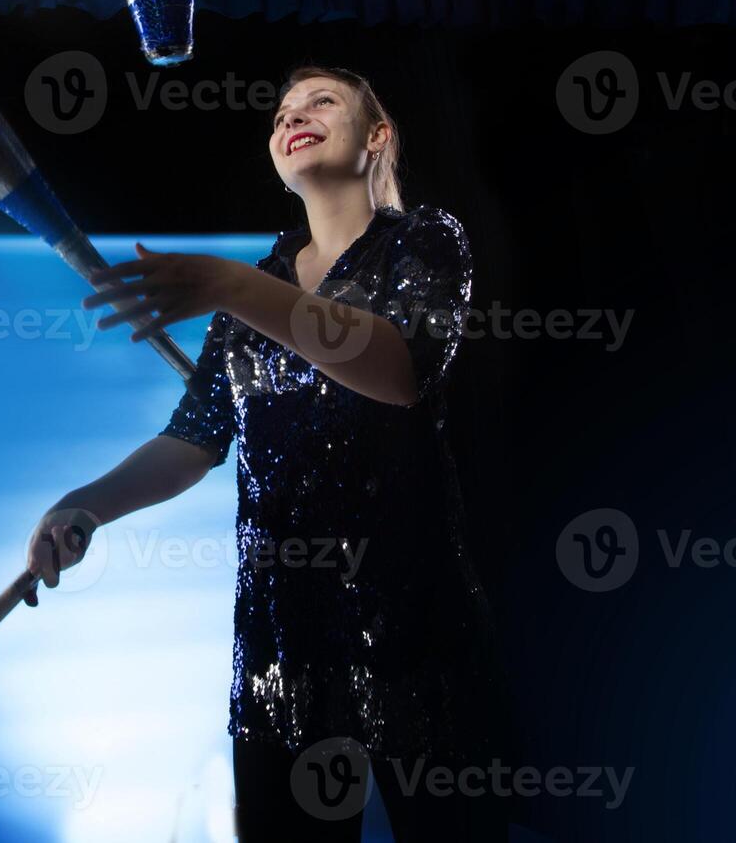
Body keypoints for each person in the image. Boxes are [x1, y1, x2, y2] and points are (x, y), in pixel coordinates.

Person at [25, 66, 508, 842]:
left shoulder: (424, 240)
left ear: (377, 135)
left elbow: (399, 369)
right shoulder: (257, 285)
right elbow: (192, 440)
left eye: (322, 103)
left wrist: (228, 288)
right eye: (281, 113)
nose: (294, 118)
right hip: (284, 650)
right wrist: (83, 505)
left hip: (417, 637)